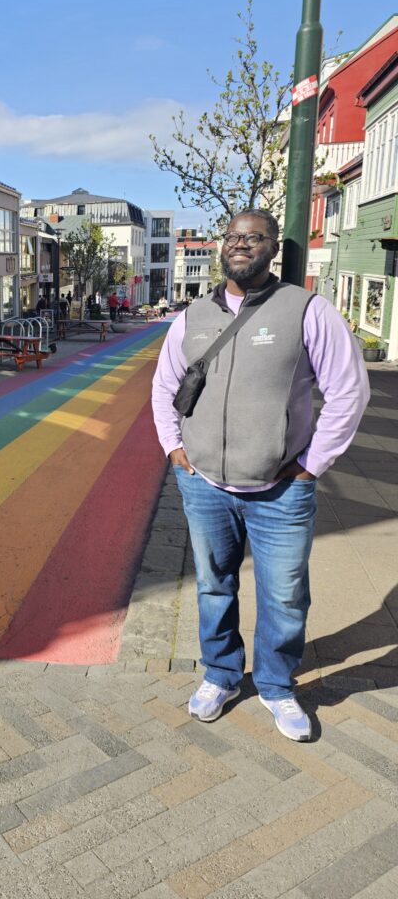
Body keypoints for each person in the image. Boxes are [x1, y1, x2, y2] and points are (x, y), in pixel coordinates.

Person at [151, 208, 369, 742]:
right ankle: (221, 675)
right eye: (233, 236)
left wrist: (311, 465)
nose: (241, 244)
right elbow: (164, 386)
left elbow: (349, 391)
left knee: (284, 596)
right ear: (222, 246)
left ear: (273, 247)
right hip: (205, 485)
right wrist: (174, 450)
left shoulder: (306, 310)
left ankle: (275, 685)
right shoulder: (192, 316)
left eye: (254, 237)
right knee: (213, 587)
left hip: (281, 490)